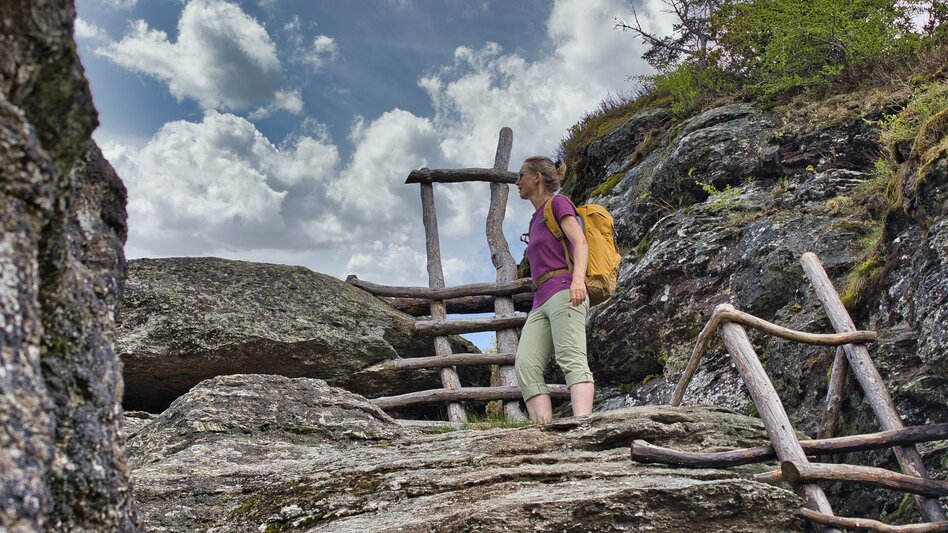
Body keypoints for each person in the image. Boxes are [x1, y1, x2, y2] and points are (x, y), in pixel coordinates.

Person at [514, 155, 595, 422]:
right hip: (540, 299)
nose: (517, 182)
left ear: (536, 177)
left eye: (520, 175)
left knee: (570, 357)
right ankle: (543, 432)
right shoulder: (535, 218)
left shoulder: (558, 203)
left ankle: (583, 425)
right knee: (525, 364)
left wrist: (577, 281)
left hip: (564, 290)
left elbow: (580, 242)